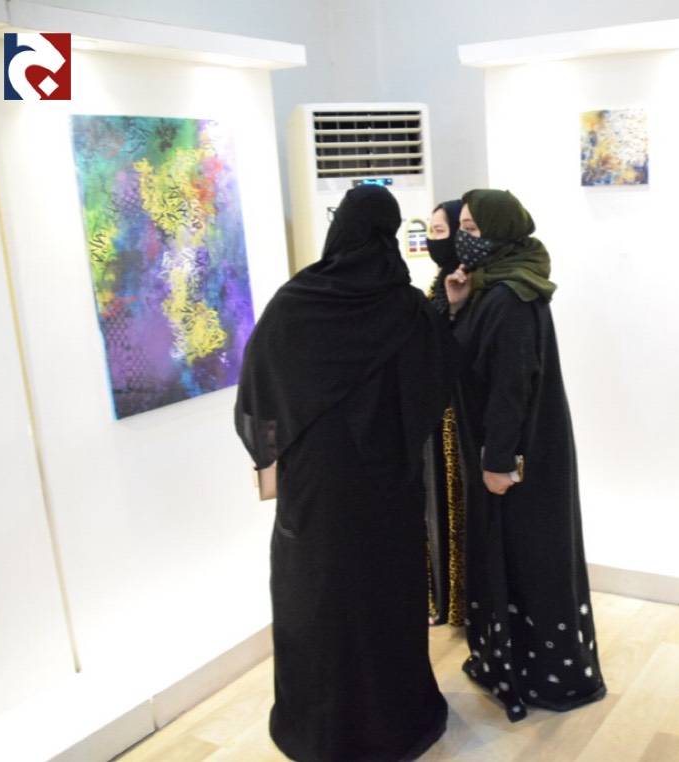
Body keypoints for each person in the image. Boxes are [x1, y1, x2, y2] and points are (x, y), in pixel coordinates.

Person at [234, 185, 456, 761]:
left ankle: (317, 727)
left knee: (317, 596)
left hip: (316, 491)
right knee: (383, 596)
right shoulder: (407, 309)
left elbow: (257, 392)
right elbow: (435, 390)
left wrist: (273, 458)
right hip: (385, 490)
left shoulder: (295, 302)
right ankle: (393, 723)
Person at [443, 189, 606, 721]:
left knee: (528, 556)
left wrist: (498, 462)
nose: (463, 237)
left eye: (472, 227)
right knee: (509, 554)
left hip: (519, 458)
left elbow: (510, 387)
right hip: (510, 450)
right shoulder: (494, 287)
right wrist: (456, 305)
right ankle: (509, 663)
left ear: (499, 230)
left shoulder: (511, 296)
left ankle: (547, 676)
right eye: (461, 226)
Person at [425, 199, 467, 626]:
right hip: (434, 419)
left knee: (461, 506)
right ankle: (444, 597)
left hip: (464, 419)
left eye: (441, 231)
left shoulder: (478, 287)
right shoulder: (437, 285)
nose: (433, 239)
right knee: (438, 505)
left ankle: (465, 600)